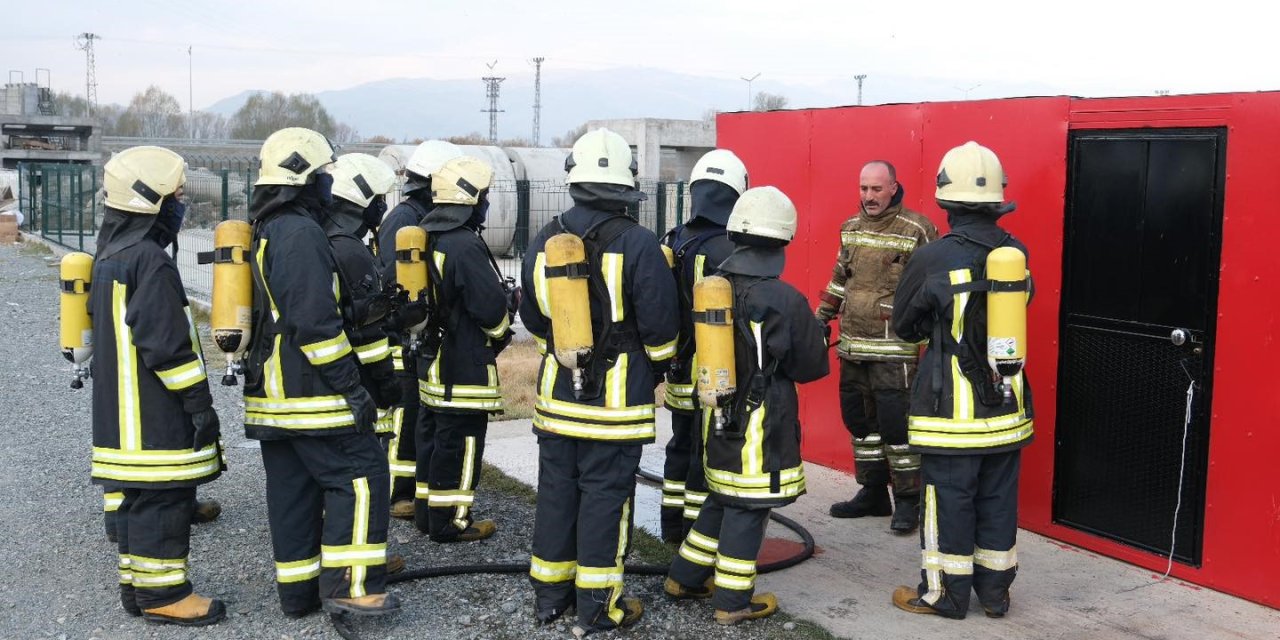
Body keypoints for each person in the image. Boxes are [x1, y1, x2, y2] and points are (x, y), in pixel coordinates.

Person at [520, 128, 678, 635]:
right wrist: (651, 369)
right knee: (606, 500)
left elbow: (532, 315)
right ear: (624, 187)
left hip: (556, 396)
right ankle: (598, 607)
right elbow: (660, 329)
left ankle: (549, 596)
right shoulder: (639, 242)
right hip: (615, 405)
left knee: (557, 493)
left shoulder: (545, 238)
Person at [244, 128, 398, 618]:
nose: (330, 183)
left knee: (293, 491)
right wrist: (353, 388)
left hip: (276, 396)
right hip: (313, 395)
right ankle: (352, 592)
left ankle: (299, 593)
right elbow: (316, 325)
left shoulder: (270, 227)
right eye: (324, 174)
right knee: (362, 476)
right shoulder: (300, 233)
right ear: (304, 179)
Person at [663, 186, 829, 625]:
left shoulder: (714, 288)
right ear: (782, 242)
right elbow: (810, 366)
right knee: (749, 506)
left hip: (716, 417)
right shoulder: (783, 299)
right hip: (761, 418)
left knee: (721, 497)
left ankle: (685, 576)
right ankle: (733, 603)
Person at [890, 141, 1033, 620]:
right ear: (998, 199)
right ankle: (995, 595)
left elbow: (905, 327)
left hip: (950, 412)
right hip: (1007, 406)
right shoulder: (1015, 252)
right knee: (997, 500)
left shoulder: (932, 258)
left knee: (948, 502)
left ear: (946, 200)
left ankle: (944, 595)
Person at [88, 146, 225, 625]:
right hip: (153, 415)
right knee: (163, 500)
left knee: (137, 501)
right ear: (152, 200)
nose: (181, 203)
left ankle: (138, 586)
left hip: (121, 418)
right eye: (177, 195)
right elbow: (167, 346)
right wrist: (199, 404)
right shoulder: (150, 261)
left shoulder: (112, 255)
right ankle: (165, 594)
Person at [815, 160, 937, 534]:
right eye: (864, 188)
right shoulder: (849, 229)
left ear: (894, 187)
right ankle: (872, 493)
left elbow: (933, 287)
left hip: (894, 352)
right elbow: (840, 280)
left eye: (876, 189)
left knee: (896, 429)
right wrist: (820, 319)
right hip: (852, 348)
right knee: (861, 425)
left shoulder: (917, 229)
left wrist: (933, 340)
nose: (869, 196)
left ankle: (907, 501)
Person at [412, 155, 514, 541]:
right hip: (463, 366)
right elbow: (490, 310)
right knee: (463, 444)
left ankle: (427, 515)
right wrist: (505, 320)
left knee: (434, 443)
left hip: (432, 364)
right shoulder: (465, 245)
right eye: (484, 197)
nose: (486, 204)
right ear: (470, 200)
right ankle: (452, 522)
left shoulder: (426, 236)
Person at [321, 153, 408, 575]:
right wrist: (385, 383)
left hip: (325, 380)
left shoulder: (320, 236)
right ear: (363, 201)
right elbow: (367, 331)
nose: (383, 208)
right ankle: (365, 566)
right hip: (354, 384)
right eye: (379, 199)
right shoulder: (351, 250)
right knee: (367, 476)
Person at [658, 149, 747, 544]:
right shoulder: (729, 250)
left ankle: (672, 527)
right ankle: (698, 534)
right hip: (715, 370)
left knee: (679, 444)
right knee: (705, 453)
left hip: (678, 367)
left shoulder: (674, 239)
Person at [376, 140, 463, 520]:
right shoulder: (407, 220)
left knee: (415, 411)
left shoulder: (415, 214)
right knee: (407, 413)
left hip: (415, 335)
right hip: (402, 336)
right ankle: (399, 493)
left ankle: (412, 489)